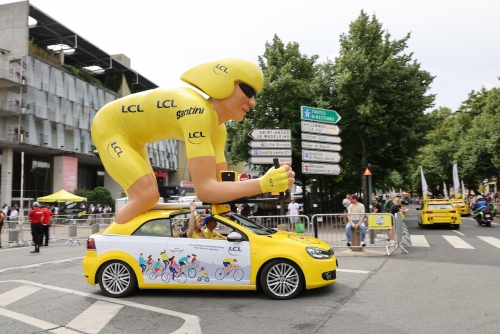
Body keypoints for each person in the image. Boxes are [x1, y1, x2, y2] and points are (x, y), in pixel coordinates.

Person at [91, 58, 295, 225]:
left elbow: (221, 183)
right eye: (248, 92)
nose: (253, 102)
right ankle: (113, 238)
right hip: (110, 127)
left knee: (148, 199)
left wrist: (223, 221)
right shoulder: (196, 111)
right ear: (224, 84)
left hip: (133, 134)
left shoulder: (218, 129)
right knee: (147, 196)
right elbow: (205, 189)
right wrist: (264, 183)